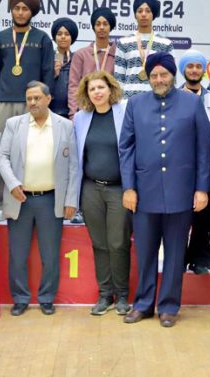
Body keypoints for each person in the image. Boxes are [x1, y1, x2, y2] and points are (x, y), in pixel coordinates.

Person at [119, 52, 210, 327]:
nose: (159, 79)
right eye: (154, 75)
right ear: (148, 77)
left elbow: (203, 150)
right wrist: (128, 188)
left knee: (175, 254)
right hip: (144, 193)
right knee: (145, 252)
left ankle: (169, 306)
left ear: (173, 75)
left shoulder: (192, 103)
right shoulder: (135, 104)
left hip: (181, 192)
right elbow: (126, 149)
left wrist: (201, 189)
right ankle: (144, 304)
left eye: (164, 74)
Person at [0, 81, 78, 317]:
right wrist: (12, 185)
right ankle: (20, 298)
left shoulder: (65, 125)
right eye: (29, 98)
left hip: (51, 199)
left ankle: (46, 298)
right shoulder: (14, 124)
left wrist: (71, 199)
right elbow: (2, 157)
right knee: (18, 255)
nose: (32, 102)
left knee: (50, 255)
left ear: (48, 99)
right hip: (20, 198)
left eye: (37, 98)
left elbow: (74, 165)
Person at [73, 71, 131, 316]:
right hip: (90, 189)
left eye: (100, 87)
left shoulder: (124, 113)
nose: (96, 92)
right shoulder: (80, 118)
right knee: (99, 243)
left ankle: (123, 295)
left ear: (110, 89)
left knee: (118, 243)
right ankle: (105, 294)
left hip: (119, 189)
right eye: (92, 89)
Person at [180, 49, 210, 275]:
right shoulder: (174, 96)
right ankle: (179, 257)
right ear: (184, 70)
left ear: (204, 71)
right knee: (180, 214)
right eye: (190, 66)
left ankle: (198, 257)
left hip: (209, 162)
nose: (194, 70)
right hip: (181, 163)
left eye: (198, 66)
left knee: (203, 213)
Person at [0, 0, 55, 131]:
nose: (20, 13)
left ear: (31, 12)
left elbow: (48, 72)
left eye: (25, 9)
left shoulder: (42, 38)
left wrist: (43, 100)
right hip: (3, 100)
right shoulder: (0, 37)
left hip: (32, 101)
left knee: (29, 145)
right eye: (16, 8)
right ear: (11, 10)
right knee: (1, 144)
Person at [114, 0, 174, 101]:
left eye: (148, 11)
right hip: (129, 101)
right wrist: (120, 103)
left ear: (153, 14)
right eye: (140, 11)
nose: (143, 14)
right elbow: (119, 79)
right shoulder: (123, 42)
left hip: (157, 100)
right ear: (135, 14)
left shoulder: (165, 44)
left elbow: (171, 78)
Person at [68, 7, 117, 116]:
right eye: (98, 24)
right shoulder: (81, 54)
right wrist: (73, 115)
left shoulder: (118, 54)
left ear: (111, 27)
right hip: (85, 110)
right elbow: (73, 86)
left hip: (112, 111)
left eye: (105, 24)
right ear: (93, 27)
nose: (101, 27)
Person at [49, 17, 78, 119]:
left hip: (72, 112)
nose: (63, 37)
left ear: (72, 37)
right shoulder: (47, 57)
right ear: (55, 37)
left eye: (67, 34)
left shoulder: (77, 58)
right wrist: (51, 75)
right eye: (59, 34)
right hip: (50, 112)